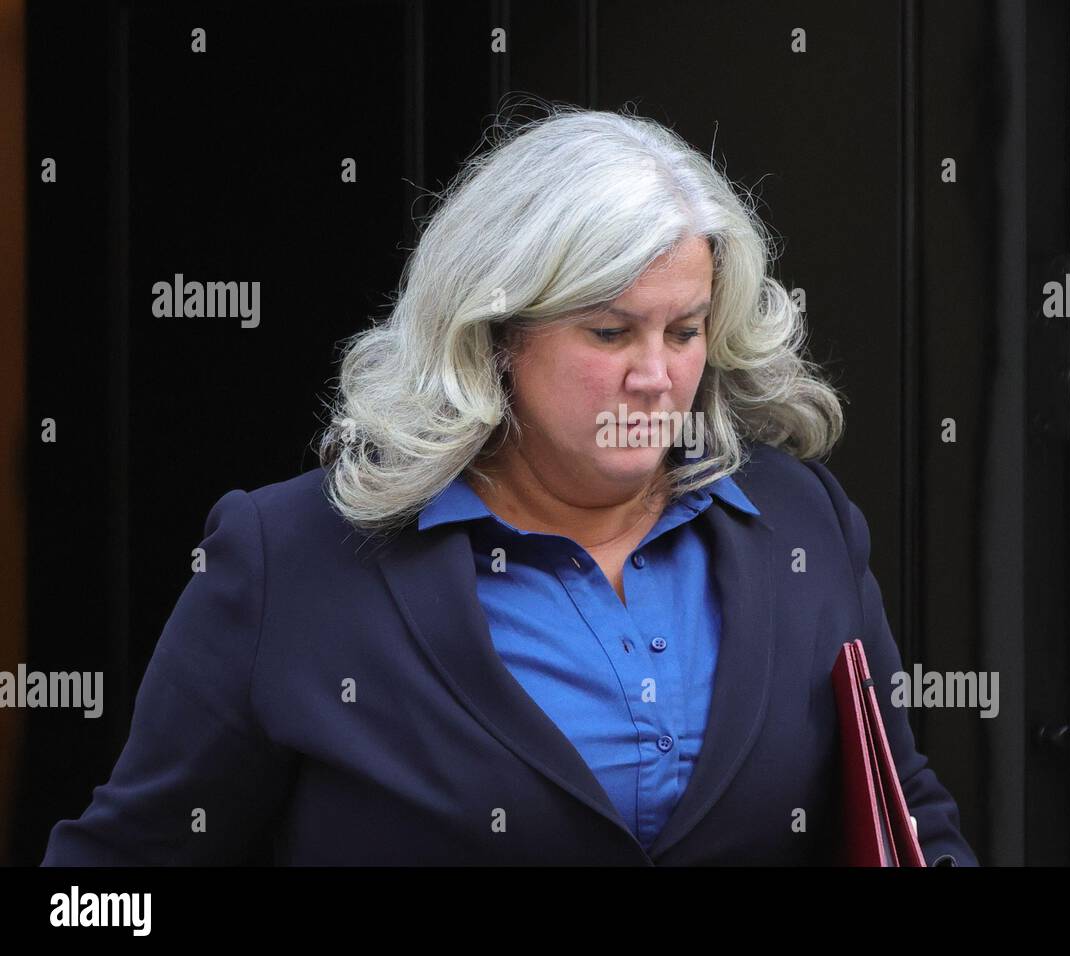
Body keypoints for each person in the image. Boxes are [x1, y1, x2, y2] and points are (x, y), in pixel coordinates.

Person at [42, 103, 977, 866]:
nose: (655, 376)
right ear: (494, 338)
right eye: (610, 333)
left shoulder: (797, 523)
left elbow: (905, 817)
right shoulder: (290, 560)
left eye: (684, 332)